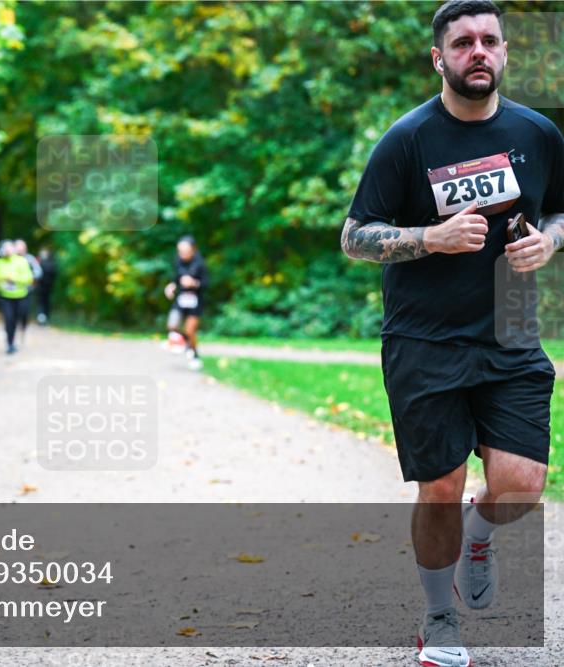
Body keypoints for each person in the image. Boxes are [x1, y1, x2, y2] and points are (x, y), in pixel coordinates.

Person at [340, 2, 564, 664]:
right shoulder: (407, 140)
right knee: (438, 485)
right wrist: (427, 238)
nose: (478, 52)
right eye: (462, 42)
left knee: (523, 483)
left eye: (489, 41)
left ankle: (479, 533)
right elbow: (354, 235)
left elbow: (559, 212)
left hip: (512, 330)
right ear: (439, 58)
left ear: (503, 53)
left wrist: (548, 243)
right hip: (425, 339)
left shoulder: (538, 133)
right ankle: (439, 617)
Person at [164, 236, 208, 371]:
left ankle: (194, 355)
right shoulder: (178, 262)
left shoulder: (200, 264)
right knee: (172, 325)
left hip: (195, 301)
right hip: (181, 299)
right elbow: (175, 279)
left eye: (185, 251)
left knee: (190, 330)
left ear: (193, 250)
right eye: (180, 251)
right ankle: (184, 343)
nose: (182, 253)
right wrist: (171, 286)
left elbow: (206, 284)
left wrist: (194, 283)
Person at [0, 240, 34, 354]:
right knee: (9, 319)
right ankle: (10, 344)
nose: (7, 250)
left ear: (14, 249)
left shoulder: (22, 261)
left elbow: (28, 278)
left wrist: (14, 279)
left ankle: (21, 332)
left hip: (21, 295)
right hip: (5, 296)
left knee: (21, 317)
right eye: (5, 248)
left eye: (9, 248)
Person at [14, 239, 42, 340]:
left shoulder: (30, 259)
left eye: (21, 247)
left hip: (27, 290)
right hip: (12, 292)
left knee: (24, 311)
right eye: (17, 247)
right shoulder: (11, 259)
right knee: (13, 313)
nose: (20, 249)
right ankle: (14, 331)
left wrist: (31, 278)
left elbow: (38, 271)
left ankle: (23, 328)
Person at [36, 248, 57, 325]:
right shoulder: (52, 263)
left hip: (42, 287)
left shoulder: (40, 263)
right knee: (45, 303)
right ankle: (44, 318)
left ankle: (42, 318)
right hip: (48, 287)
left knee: (42, 303)